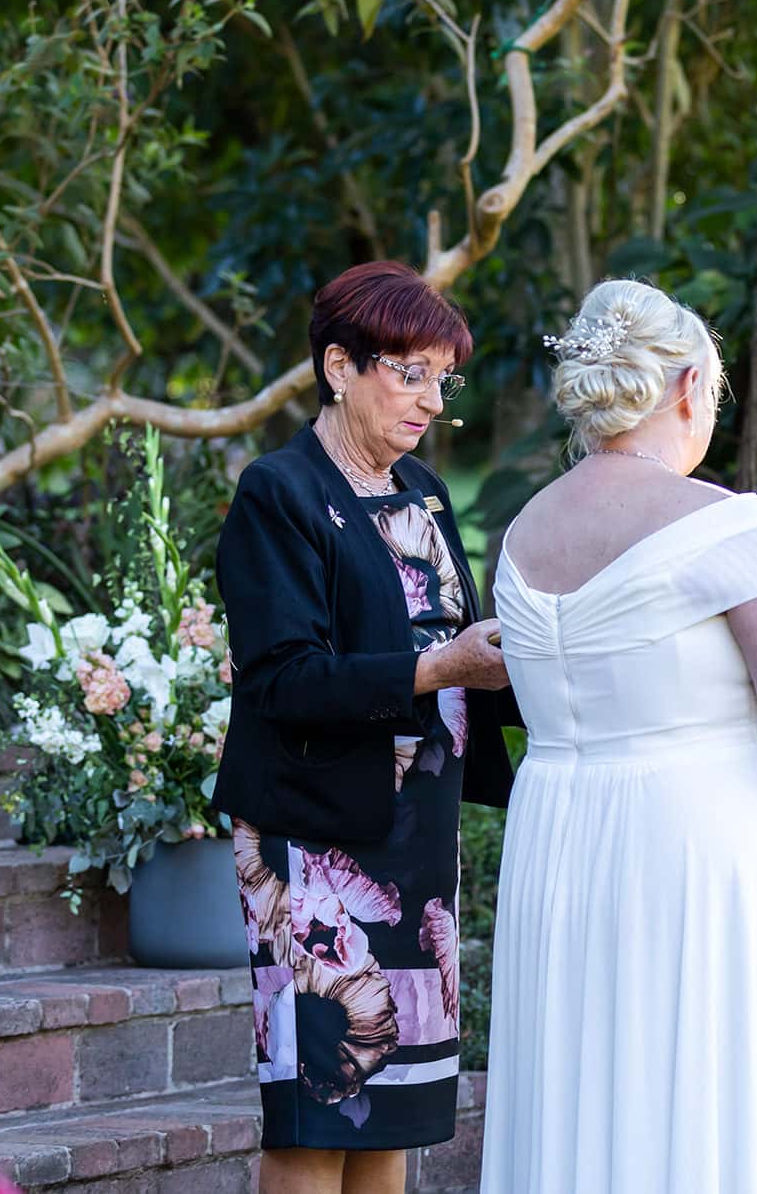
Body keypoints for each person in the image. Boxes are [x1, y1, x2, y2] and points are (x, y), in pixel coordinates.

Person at [478, 279, 757, 1194]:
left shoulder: (522, 534)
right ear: (688, 389)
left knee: (576, 1091)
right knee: (694, 1086)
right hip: (696, 855)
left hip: (556, 840)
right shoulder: (730, 526)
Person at [213, 261, 516, 1194]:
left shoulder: (423, 488)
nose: (430, 398)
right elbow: (286, 678)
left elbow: (460, 633)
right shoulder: (280, 492)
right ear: (339, 365)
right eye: (409, 371)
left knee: (397, 1114)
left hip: (416, 850)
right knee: (321, 1112)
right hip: (315, 849)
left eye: (441, 377)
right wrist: (442, 666)